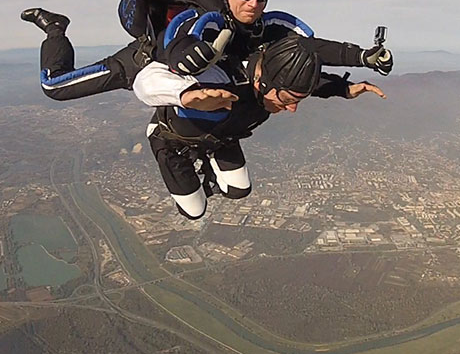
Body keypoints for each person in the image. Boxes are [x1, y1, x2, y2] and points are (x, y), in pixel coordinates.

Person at [23, 0, 393, 104]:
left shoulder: (266, 27)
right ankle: (56, 29)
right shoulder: (208, 16)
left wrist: (360, 59)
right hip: (146, 60)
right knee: (54, 86)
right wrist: (189, 58)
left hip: (188, 76)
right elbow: (181, 39)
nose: (254, 5)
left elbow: (306, 55)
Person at [133, 35, 387, 219]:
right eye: (287, 101)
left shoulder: (276, 80)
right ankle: (164, 144)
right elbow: (145, 80)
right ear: (264, 83)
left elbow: (308, 85)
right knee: (194, 210)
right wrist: (185, 94)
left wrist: (344, 89)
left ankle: (207, 157)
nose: (291, 108)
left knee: (238, 190)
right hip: (174, 138)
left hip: (221, 138)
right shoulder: (225, 78)